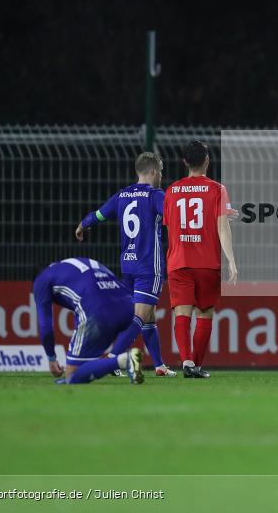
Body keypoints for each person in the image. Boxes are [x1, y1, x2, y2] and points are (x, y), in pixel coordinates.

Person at [75, 152, 176, 377]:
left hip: (127, 265)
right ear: (152, 172)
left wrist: (83, 224)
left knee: (148, 317)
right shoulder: (156, 195)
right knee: (140, 316)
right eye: (160, 171)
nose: (161, 175)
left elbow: (99, 215)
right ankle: (111, 359)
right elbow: (175, 217)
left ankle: (159, 365)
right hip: (149, 266)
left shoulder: (122, 195)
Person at [163, 140, 239, 378]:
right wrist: (232, 261)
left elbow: (171, 227)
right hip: (207, 262)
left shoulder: (172, 191)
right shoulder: (217, 189)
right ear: (207, 161)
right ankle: (194, 365)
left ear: (185, 162)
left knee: (182, 313)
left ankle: (186, 362)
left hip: (179, 261)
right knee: (204, 315)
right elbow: (222, 229)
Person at [33, 257, 144, 384]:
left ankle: (125, 360)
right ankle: (120, 360)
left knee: (72, 374)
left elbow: (45, 327)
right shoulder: (75, 263)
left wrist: (51, 357)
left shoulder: (41, 279)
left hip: (98, 312)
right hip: (128, 307)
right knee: (85, 362)